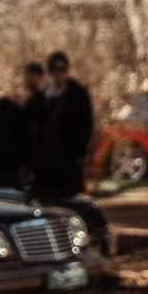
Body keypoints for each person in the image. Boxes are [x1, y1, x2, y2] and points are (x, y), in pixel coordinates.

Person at [28, 49, 94, 198]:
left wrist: (80, 151)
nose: (57, 73)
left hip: (67, 159)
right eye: (53, 69)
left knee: (70, 199)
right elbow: (28, 116)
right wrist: (39, 93)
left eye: (61, 69)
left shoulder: (77, 94)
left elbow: (85, 124)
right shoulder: (45, 95)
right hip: (45, 160)